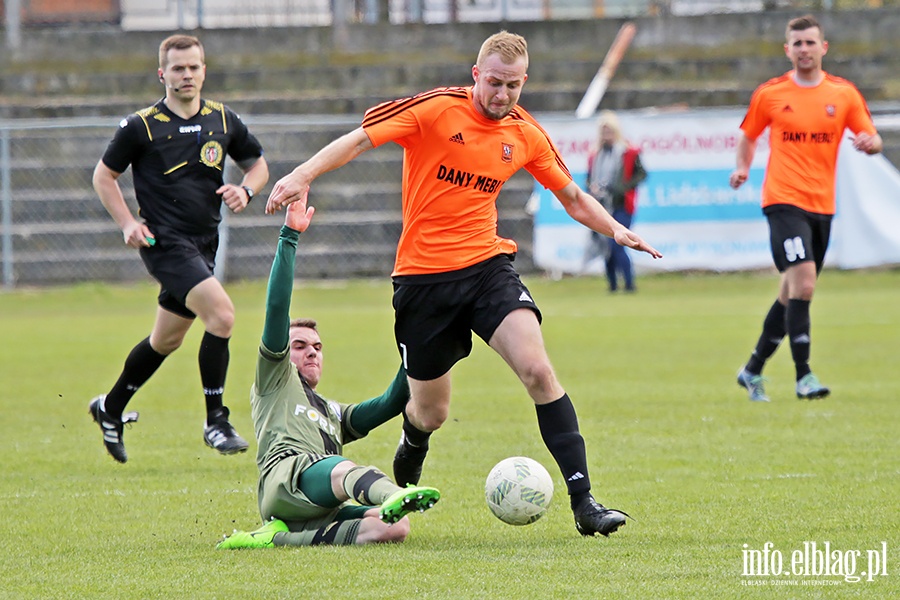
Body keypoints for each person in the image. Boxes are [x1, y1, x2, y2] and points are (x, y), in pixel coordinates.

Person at [266, 31, 662, 537]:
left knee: (539, 372)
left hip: (486, 269)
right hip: (422, 281)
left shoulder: (525, 133)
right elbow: (360, 140)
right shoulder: (435, 110)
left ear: (524, 83)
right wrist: (303, 174)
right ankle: (411, 447)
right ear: (476, 75)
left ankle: (584, 502)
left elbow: (572, 195)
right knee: (430, 412)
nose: (502, 95)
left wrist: (616, 230)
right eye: (494, 83)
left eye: (513, 86)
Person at [217, 202, 440, 549]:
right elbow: (277, 307)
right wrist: (289, 237)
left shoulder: (333, 413)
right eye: (300, 345)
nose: (311, 351)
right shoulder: (275, 379)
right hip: (287, 480)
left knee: (394, 527)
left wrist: (417, 340)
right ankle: (395, 493)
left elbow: (392, 401)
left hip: (317, 504)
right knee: (340, 467)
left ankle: (279, 538)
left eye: (317, 347)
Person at [89, 34, 270, 462]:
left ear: (204, 70)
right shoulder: (141, 125)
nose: (186, 75)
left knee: (165, 340)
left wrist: (246, 190)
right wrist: (128, 223)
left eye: (193, 67)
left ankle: (110, 408)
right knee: (222, 315)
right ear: (162, 74)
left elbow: (258, 165)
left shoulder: (222, 120)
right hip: (164, 242)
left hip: (204, 241)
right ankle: (216, 421)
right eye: (177, 68)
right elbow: (103, 176)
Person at [730, 15, 882, 402]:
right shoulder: (771, 93)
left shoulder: (843, 94)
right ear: (787, 49)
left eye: (810, 43)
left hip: (822, 206)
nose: (804, 50)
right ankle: (804, 376)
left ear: (823, 47)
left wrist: (870, 144)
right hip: (782, 200)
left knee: (790, 292)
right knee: (806, 282)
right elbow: (748, 135)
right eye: (797, 44)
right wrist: (743, 167)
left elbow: (872, 136)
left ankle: (752, 370)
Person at [584, 110, 647, 292]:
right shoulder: (595, 154)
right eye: (604, 131)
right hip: (601, 205)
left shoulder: (627, 152)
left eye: (609, 131)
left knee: (618, 243)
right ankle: (612, 285)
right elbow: (589, 178)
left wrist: (622, 187)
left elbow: (641, 174)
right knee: (606, 247)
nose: (606, 135)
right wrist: (592, 187)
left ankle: (629, 284)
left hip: (621, 204)